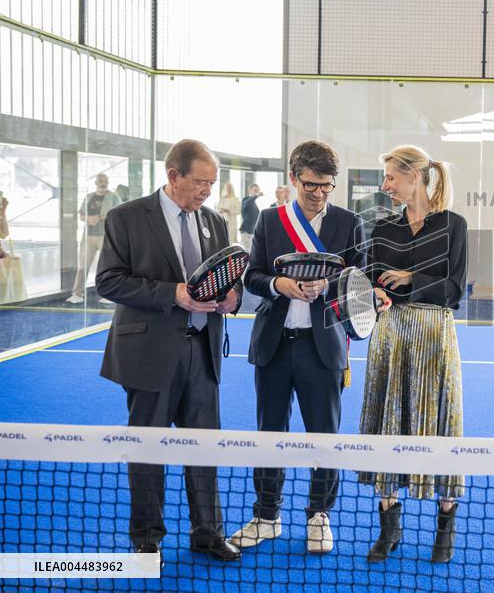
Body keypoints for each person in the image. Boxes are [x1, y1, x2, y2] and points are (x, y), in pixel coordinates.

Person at [95, 139, 242, 562]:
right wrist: (172, 293)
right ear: (173, 175)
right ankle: (147, 536)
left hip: (203, 351)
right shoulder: (125, 217)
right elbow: (108, 281)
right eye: (200, 182)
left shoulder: (213, 220)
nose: (206, 192)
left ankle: (208, 533)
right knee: (147, 447)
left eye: (211, 184)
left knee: (204, 446)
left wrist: (231, 297)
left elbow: (223, 279)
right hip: (148, 352)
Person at [230, 140, 366, 554]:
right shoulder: (271, 221)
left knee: (324, 436)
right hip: (274, 344)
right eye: (311, 185)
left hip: (323, 348)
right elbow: (251, 276)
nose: (320, 193)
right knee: (269, 435)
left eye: (327, 186)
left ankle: (319, 515)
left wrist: (332, 287)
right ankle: (266, 516)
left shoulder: (349, 222)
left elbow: (359, 283)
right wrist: (279, 285)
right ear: (293, 179)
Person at [359, 145, 467, 564]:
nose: (385, 185)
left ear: (415, 176)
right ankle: (389, 527)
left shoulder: (454, 225)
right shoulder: (381, 228)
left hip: (436, 336)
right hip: (390, 335)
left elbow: (454, 289)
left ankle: (445, 526)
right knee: (388, 425)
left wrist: (410, 277)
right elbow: (368, 284)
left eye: (390, 177)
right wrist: (375, 293)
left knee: (440, 427)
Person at [67, 173, 122, 304]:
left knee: (109, 266)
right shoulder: (89, 197)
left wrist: (101, 217)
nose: (103, 183)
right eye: (101, 181)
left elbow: (120, 213)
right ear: (96, 183)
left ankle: (110, 294)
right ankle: (77, 293)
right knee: (83, 265)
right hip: (89, 235)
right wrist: (88, 218)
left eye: (105, 181)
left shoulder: (113, 197)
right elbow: (81, 215)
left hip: (105, 235)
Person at [239, 184, 263, 250]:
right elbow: (246, 204)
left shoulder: (254, 204)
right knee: (245, 250)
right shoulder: (246, 199)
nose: (256, 192)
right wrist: (256, 196)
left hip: (252, 232)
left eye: (257, 191)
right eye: (255, 190)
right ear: (250, 190)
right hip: (246, 231)